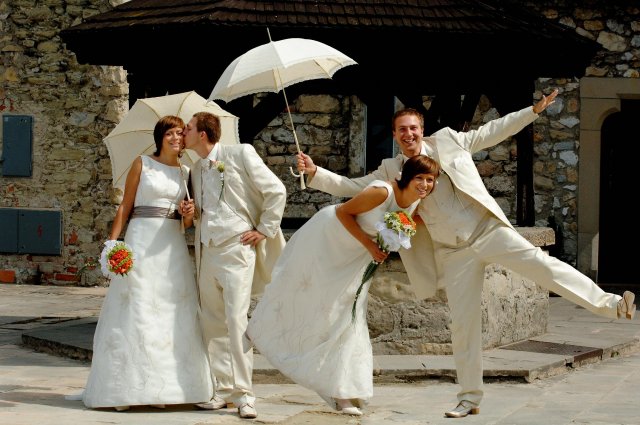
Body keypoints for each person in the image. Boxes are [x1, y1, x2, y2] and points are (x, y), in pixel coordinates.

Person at [296, 89, 637, 418]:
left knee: (543, 265)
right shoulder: (390, 169)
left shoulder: (448, 140)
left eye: (413, 128)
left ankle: (611, 305)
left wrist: (531, 112)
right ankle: (469, 398)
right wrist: (315, 174)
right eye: (402, 130)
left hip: (487, 231)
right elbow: (353, 186)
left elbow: (492, 131)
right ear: (396, 135)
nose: (408, 134)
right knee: (463, 325)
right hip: (453, 251)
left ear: (421, 130)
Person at [247, 155, 441, 416]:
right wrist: (371, 245)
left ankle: (341, 391)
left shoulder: (416, 199)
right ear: (407, 177)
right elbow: (342, 212)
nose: (425, 184)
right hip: (329, 239)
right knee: (299, 291)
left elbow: (404, 224)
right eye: (419, 178)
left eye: (430, 180)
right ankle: (257, 330)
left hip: (356, 257)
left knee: (347, 317)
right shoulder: (381, 192)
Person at [81, 115, 213, 411]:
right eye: (169, 133)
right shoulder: (142, 163)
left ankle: (163, 390)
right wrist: (112, 243)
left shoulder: (186, 172)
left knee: (170, 311)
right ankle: (124, 391)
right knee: (137, 307)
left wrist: (188, 213)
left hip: (171, 245)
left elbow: (187, 224)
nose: (176, 138)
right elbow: (125, 206)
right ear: (160, 137)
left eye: (179, 133)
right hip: (141, 239)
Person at [183, 111, 287, 420]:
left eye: (188, 128)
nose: (184, 133)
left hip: (237, 248)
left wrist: (264, 229)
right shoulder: (195, 169)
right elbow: (205, 211)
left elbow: (276, 190)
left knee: (236, 321)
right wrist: (191, 211)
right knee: (212, 322)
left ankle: (245, 395)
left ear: (202, 134)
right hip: (207, 250)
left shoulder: (240, 153)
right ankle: (224, 390)